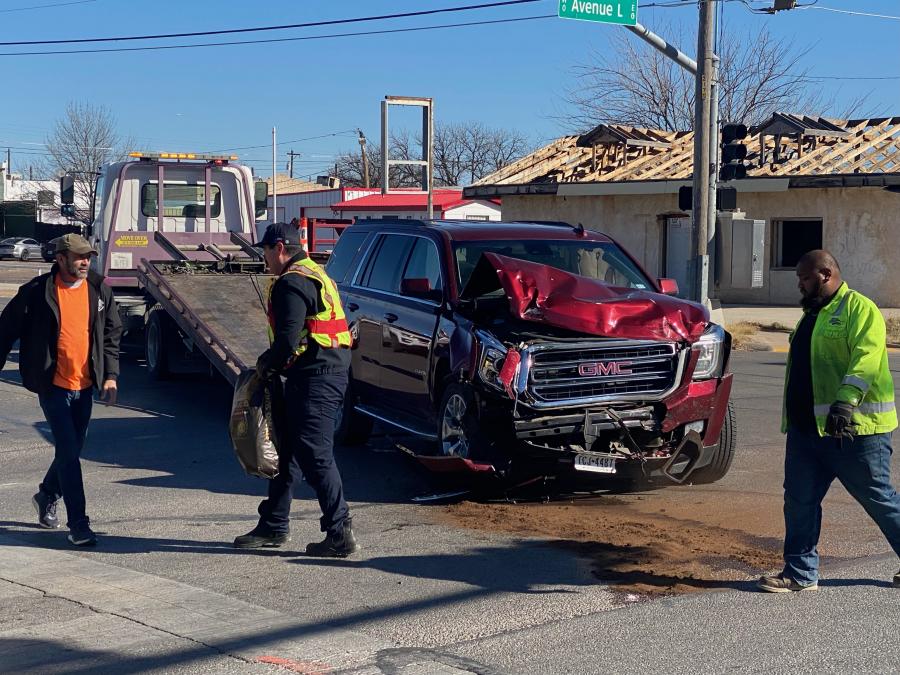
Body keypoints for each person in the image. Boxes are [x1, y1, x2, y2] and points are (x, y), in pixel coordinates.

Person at [758, 250, 900, 592]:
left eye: (804, 278)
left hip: (853, 431)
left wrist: (846, 402)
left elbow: (866, 359)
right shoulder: (812, 314)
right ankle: (800, 573)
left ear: (825, 274)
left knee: (878, 498)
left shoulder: (859, 309)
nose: (800, 284)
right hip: (806, 431)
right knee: (799, 500)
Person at [233, 222, 358, 557]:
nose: (264, 259)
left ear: (279, 248)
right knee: (288, 450)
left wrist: (265, 367)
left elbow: (288, 339)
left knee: (315, 454)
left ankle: (339, 531)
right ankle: (274, 524)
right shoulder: (316, 272)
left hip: (317, 376)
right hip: (324, 371)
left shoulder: (292, 282)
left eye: (265, 251)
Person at [0, 233, 121, 547]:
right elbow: (5, 330)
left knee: (72, 449)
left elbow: (112, 332)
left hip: (85, 384)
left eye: (88, 257)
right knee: (69, 453)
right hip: (52, 384)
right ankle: (79, 524)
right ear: (60, 258)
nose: (85, 262)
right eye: (79, 257)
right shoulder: (37, 293)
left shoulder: (98, 289)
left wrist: (110, 374)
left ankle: (47, 494)